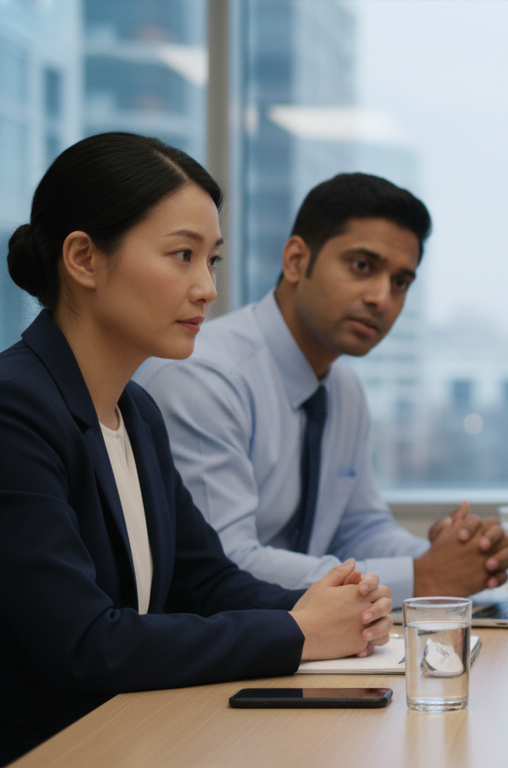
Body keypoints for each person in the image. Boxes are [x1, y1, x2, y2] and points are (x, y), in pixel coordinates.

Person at [0, 133, 393, 765]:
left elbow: (206, 581)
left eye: (211, 260)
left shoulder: (136, 411)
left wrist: (333, 606)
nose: (207, 287)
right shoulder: (14, 409)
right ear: (84, 259)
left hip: (132, 740)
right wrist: (296, 631)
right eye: (183, 255)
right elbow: (87, 646)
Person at [139, 174, 508, 608]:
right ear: (296, 260)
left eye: (400, 282)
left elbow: (359, 528)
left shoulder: (343, 389)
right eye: (362, 266)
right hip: (214, 637)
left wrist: (448, 556)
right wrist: (422, 576)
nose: (381, 298)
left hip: (305, 634)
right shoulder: (205, 377)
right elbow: (227, 566)